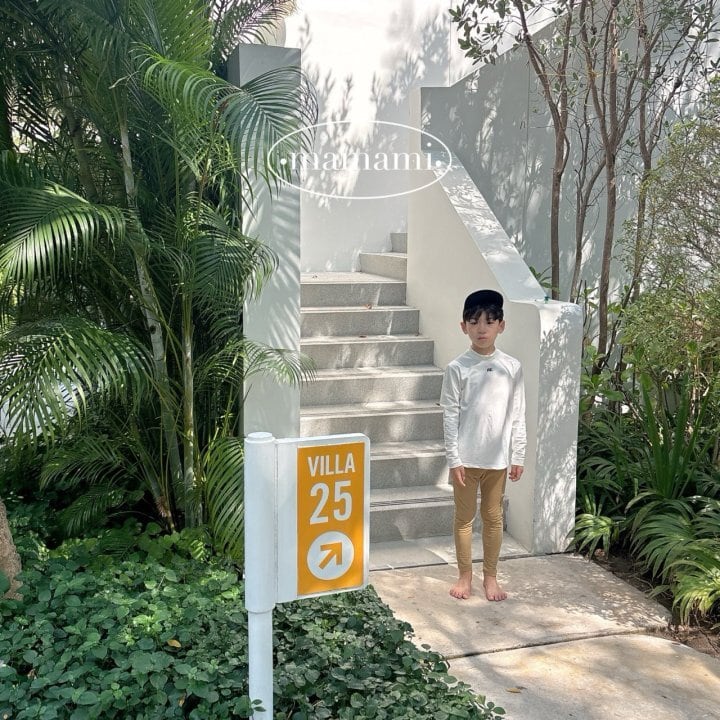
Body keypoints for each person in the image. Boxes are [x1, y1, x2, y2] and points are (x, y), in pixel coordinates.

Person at [439, 289, 526, 601]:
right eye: (474, 322)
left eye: (489, 322)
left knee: (493, 518)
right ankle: (465, 576)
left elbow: (517, 414)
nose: (482, 329)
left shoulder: (511, 367)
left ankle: (491, 577)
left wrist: (518, 454)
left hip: (497, 461)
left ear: (501, 325)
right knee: (464, 519)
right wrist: (454, 459)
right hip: (465, 460)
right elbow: (450, 415)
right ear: (463, 326)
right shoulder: (457, 368)